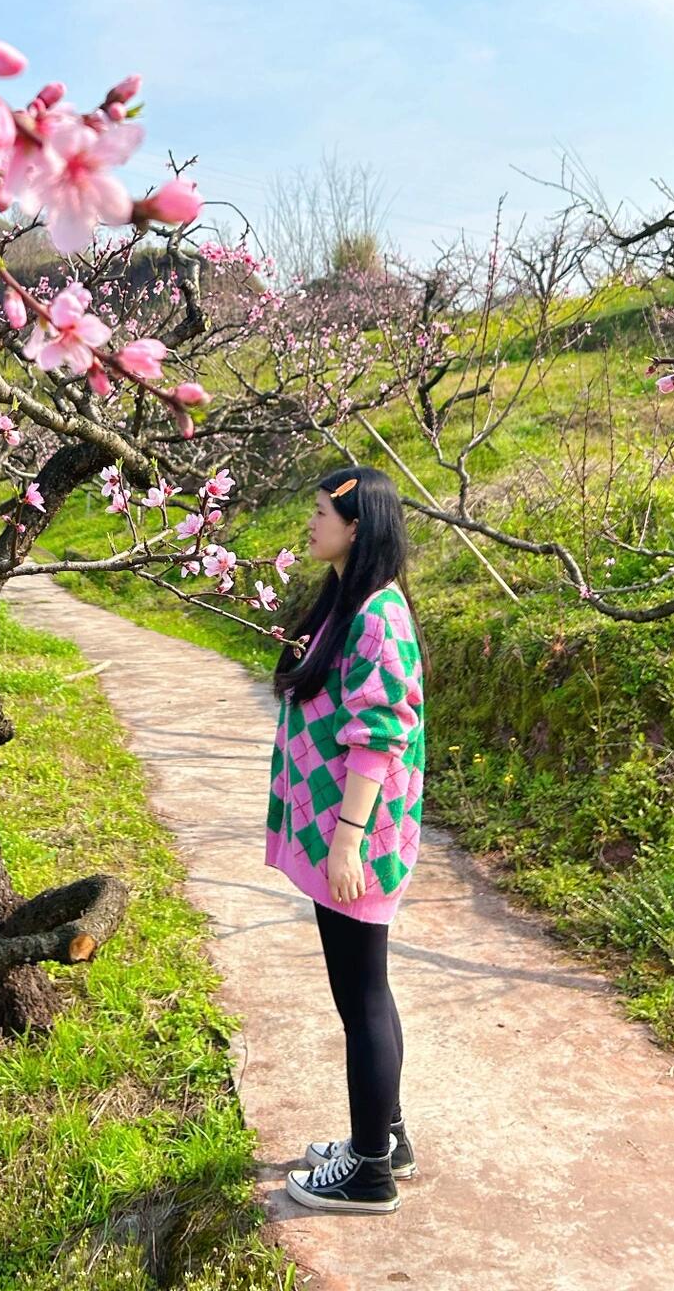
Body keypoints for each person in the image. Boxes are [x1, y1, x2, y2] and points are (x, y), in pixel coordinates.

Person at [263, 463, 428, 1214]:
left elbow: (380, 736)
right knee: (363, 990)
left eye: (323, 511)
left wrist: (348, 841)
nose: (312, 522)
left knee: (360, 996)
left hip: (360, 836)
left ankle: (369, 1172)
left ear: (359, 523)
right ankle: (385, 1137)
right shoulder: (347, 601)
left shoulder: (379, 615)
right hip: (346, 830)